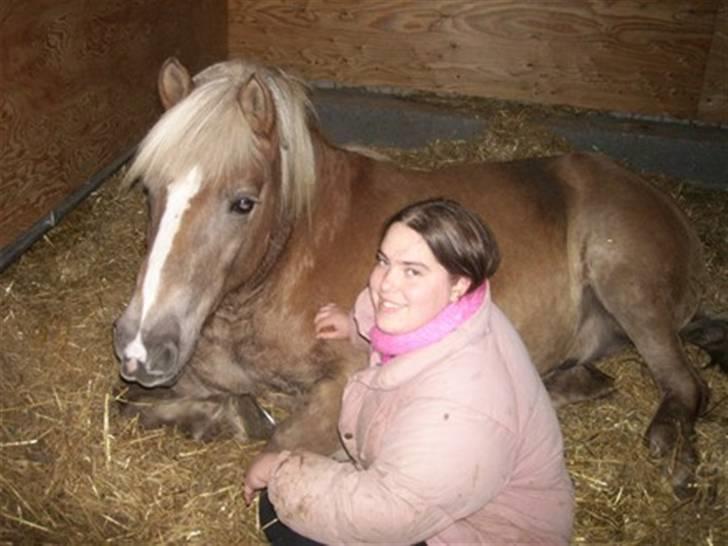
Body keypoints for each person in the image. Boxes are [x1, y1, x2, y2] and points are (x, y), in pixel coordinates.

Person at [244, 198, 574, 545]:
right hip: (451, 505)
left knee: (283, 514)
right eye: (384, 261)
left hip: (488, 535)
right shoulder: (462, 309)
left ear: (458, 284)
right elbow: (391, 313)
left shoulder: (464, 406)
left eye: (412, 270)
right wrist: (357, 325)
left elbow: (386, 516)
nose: (386, 284)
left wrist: (280, 470)